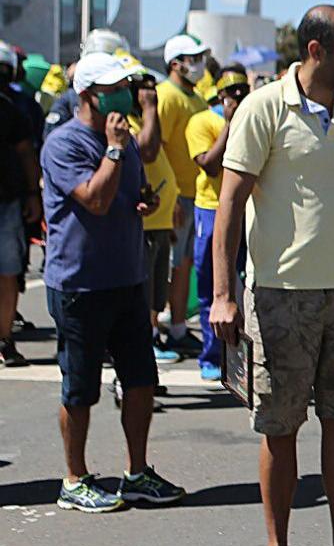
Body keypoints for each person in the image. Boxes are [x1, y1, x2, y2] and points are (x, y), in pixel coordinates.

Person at [209, 5, 334, 546]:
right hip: (280, 294)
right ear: (317, 50)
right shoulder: (265, 107)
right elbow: (230, 202)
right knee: (280, 426)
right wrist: (223, 293)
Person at [41, 52, 185, 513]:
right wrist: (116, 149)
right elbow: (95, 200)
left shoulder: (117, 140)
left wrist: (140, 199)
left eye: (126, 85)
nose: (123, 94)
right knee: (80, 388)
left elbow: (123, 193)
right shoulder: (65, 144)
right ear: (87, 96)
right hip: (80, 284)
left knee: (141, 379)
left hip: (127, 276)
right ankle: (74, 478)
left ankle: (137, 472)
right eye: (113, 89)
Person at [185, 65, 251, 381]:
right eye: (232, 92)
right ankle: (210, 356)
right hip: (211, 210)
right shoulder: (201, 121)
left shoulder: (255, 118)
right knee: (213, 286)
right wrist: (230, 124)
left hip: (248, 209)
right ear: (220, 94)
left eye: (243, 91)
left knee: (247, 285)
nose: (238, 97)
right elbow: (209, 165)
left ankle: (242, 354)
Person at [122, 59, 183, 369]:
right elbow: (146, 151)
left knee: (157, 293)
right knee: (143, 294)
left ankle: (152, 337)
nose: (150, 92)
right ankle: (141, 351)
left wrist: (174, 203)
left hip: (160, 221)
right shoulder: (128, 122)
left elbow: (161, 155)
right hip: (142, 224)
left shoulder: (145, 120)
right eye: (142, 87)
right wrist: (149, 109)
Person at [157, 33, 211, 360]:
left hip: (197, 196)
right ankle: (156, 332)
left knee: (183, 265)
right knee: (166, 266)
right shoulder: (167, 96)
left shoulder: (197, 98)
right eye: (193, 58)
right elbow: (157, 148)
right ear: (176, 63)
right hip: (176, 196)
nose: (199, 63)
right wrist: (172, 196)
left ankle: (177, 327)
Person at [0, 43, 42, 366]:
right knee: (8, 273)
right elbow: (27, 153)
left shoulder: (14, 108)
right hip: (11, 202)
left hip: (8, 203)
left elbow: (27, 152)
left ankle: (4, 339)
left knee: (8, 273)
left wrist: (31, 194)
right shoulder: (15, 106)